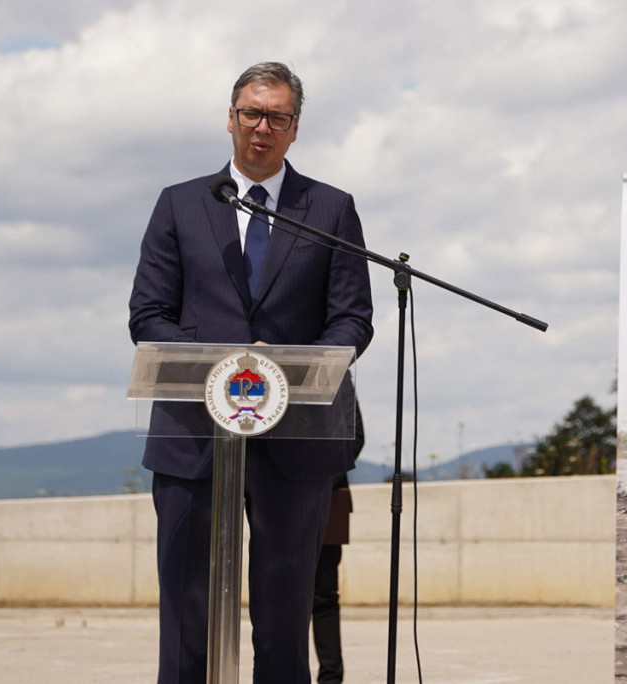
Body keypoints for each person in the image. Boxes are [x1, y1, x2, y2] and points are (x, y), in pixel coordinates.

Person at [128, 62, 373, 684]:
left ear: (296, 129)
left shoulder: (331, 208)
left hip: (295, 444)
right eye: (251, 114)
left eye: (278, 117)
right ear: (230, 118)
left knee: (285, 623)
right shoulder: (180, 204)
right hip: (192, 439)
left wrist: (283, 368)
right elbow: (148, 314)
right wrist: (229, 363)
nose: (262, 128)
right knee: (186, 619)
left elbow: (352, 321)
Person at [312, 402, 363, 684]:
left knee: (324, 598)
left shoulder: (339, 371)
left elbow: (355, 436)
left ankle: (330, 679)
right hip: (276, 493)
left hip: (328, 495)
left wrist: (314, 471)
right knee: (278, 594)